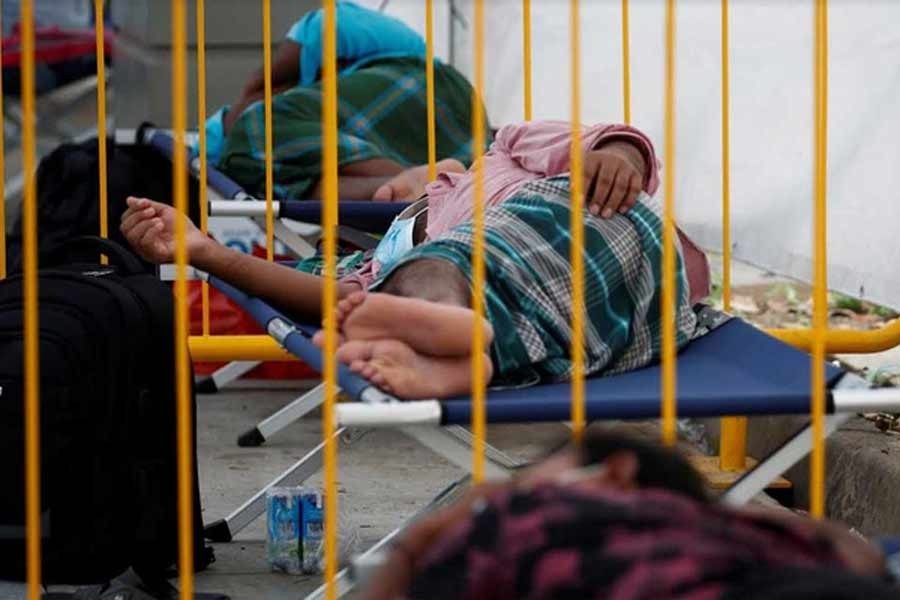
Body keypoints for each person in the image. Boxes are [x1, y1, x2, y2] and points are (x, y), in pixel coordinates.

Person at [122, 120, 707, 399]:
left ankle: (446, 341)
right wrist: (203, 251)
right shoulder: (385, 259)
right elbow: (329, 296)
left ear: (444, 168)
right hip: (572, 326)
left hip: (608, 231)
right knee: (398, 287)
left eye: (393, 185)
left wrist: (619, 158)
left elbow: (608, 141)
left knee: (440, 268)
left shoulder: (504, 152)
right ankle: (460, 357)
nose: (385, 194)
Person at [364, 430, 896, 600]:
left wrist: (420, 540)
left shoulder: (522, 516)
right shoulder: (720, 531)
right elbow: (859, 556)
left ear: (614, 472)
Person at [198, 0, 483, 202]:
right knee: (293, 185)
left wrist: (237, 132)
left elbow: (256, 91)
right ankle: (410, 188)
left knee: (261, 126)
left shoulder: (318, 30)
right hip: (446, 142)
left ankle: (414, 184)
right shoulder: (312, 124)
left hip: (426, 87)